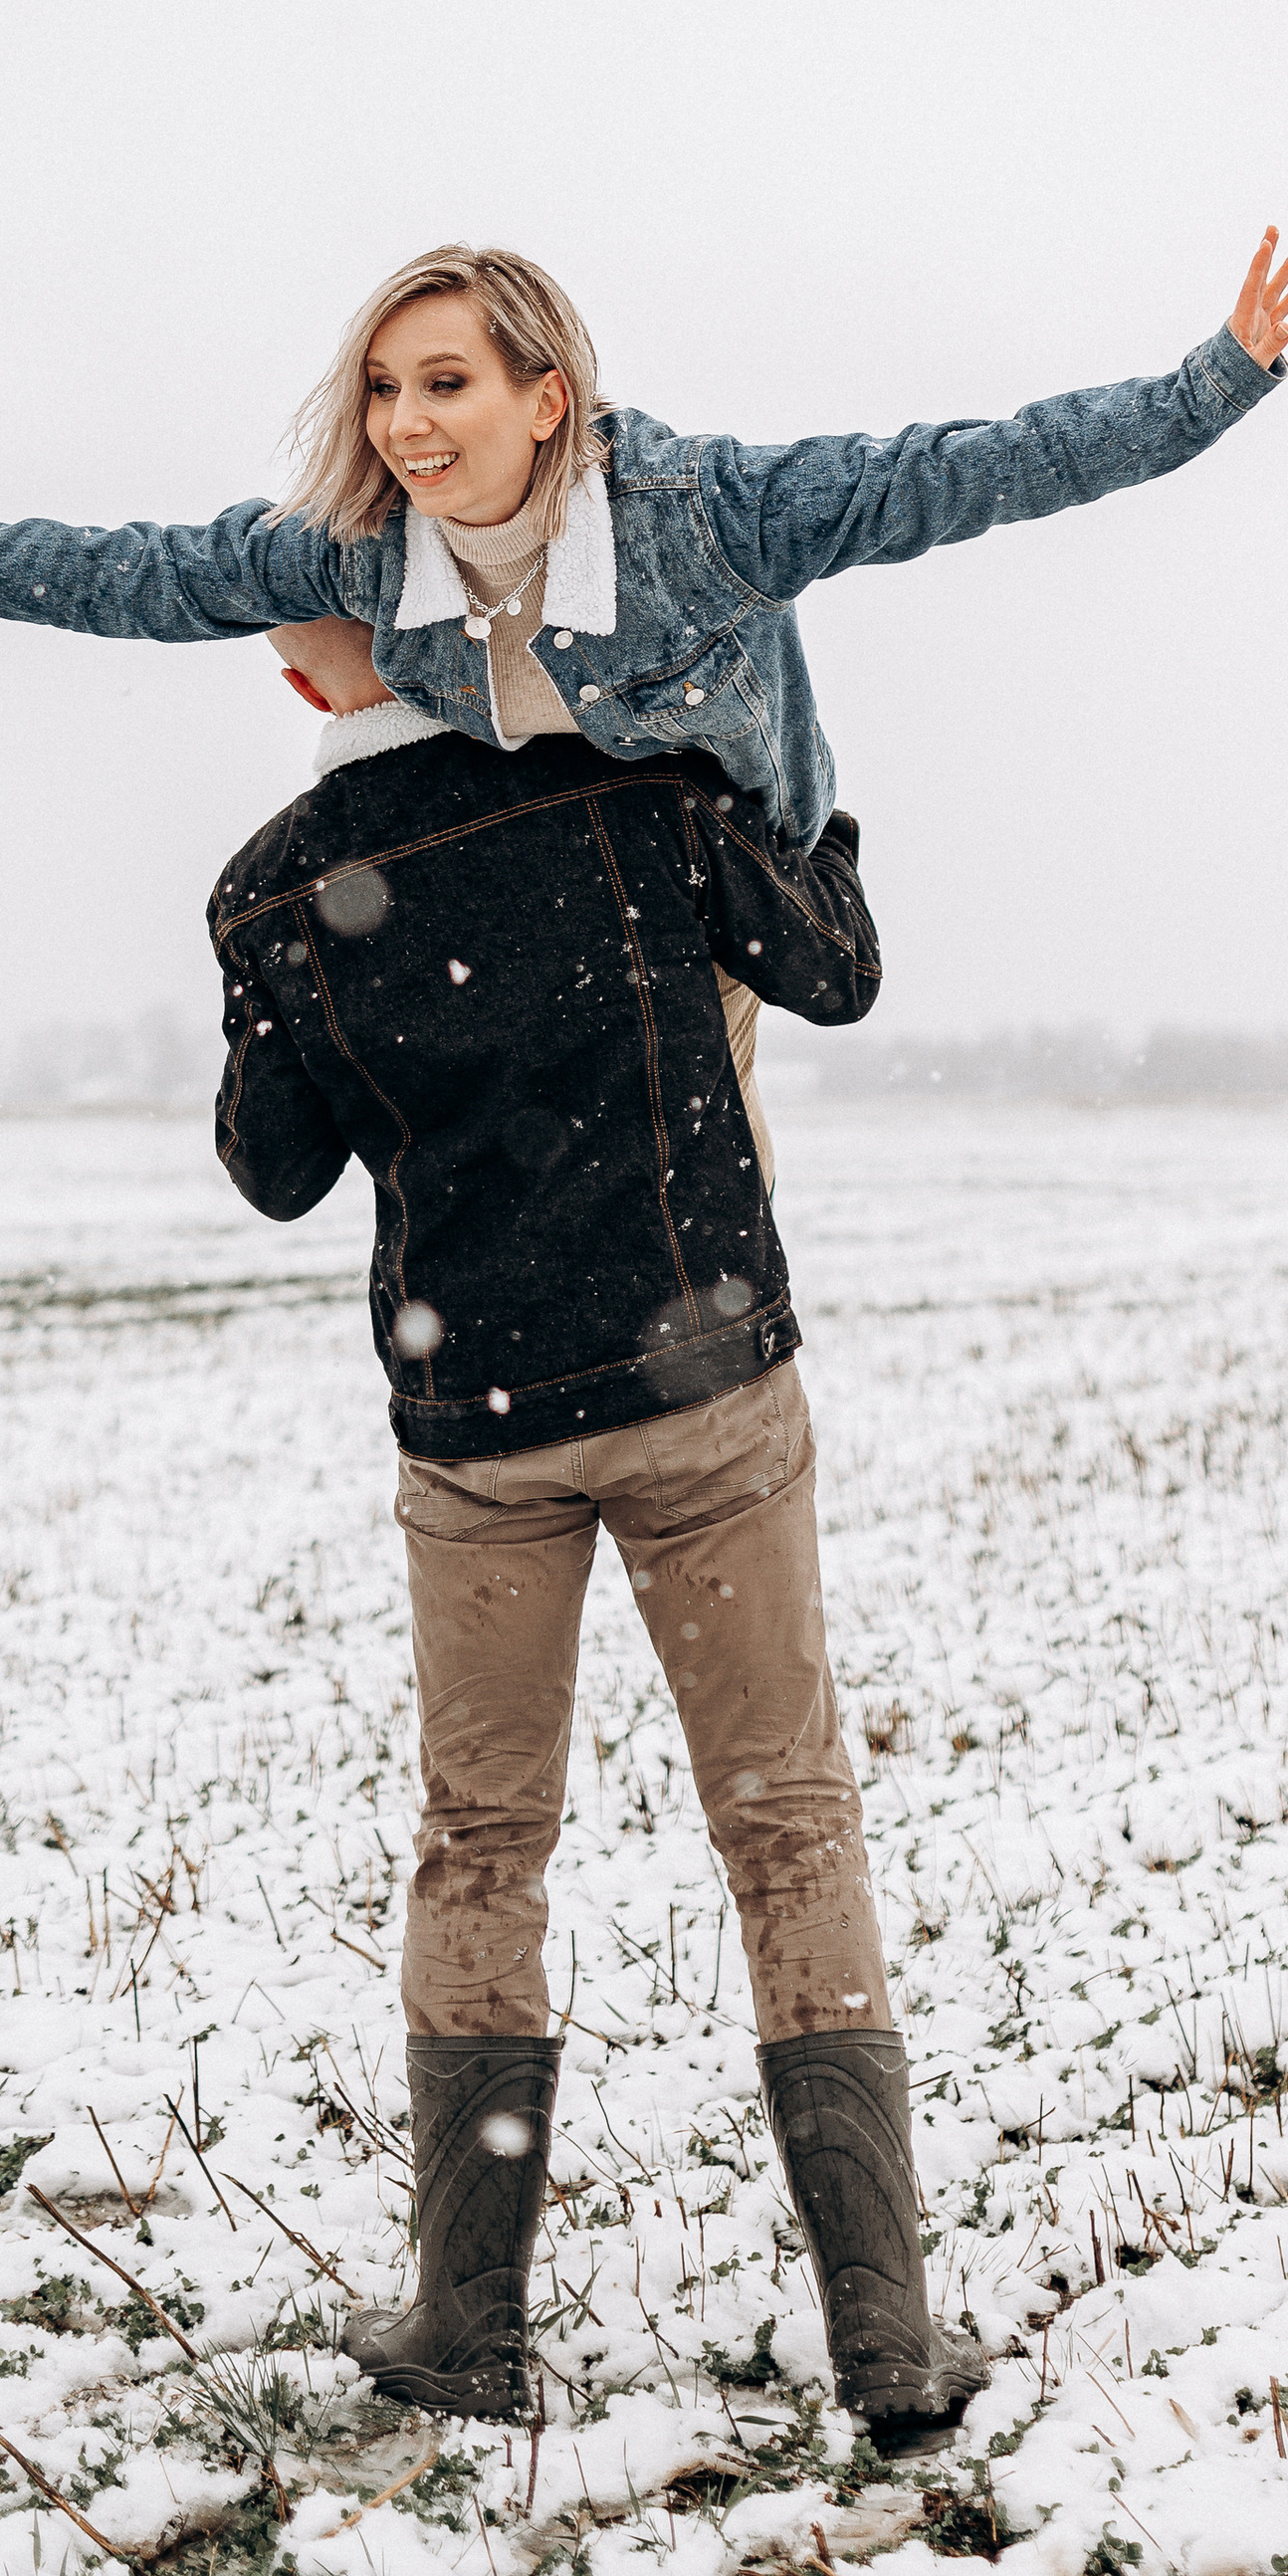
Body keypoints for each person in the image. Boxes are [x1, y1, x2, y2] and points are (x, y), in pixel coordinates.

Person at [208, 609, 989, 2446]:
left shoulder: (275, 886)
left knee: (482, 1844)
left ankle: (464, 2328)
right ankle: (885, 2337)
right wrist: (796, 801)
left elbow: (274, 1168)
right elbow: (840, 970)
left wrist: (286, 983)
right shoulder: (636, 786)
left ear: (314, 675)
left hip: (475, 1422)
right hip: (700, 1375)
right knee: (790, 1827)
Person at [0, 229, 1288, 850]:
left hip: (715, 888)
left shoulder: (712, 518)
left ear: (548, 398)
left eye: (444, 384)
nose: (403, 425)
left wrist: (1211, 383)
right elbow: (128, 577)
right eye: (382, 388)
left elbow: (975, 471)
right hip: (529, 869)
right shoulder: (361, 551)